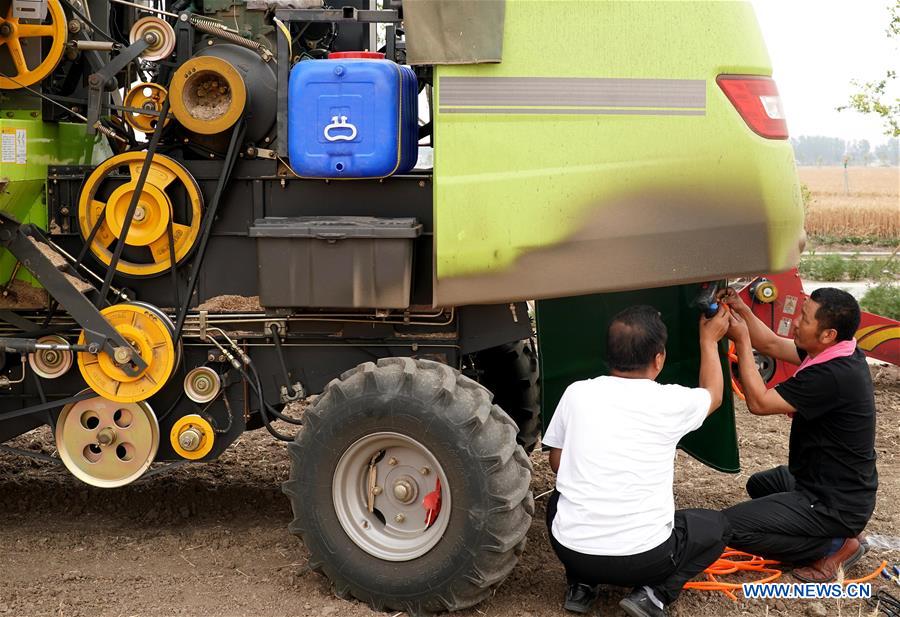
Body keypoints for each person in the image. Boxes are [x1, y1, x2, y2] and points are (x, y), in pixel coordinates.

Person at [543, 304, 732, 617]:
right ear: (659, 358)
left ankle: (581, 585)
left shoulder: (576, 393)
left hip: (572, 552)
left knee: (558, 500)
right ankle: (653, 594)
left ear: (609, 353)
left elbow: (557, 462)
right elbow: (714, 393)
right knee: (719, 527)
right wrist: (709, 341)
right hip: (646, 560)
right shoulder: (672, 401)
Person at [721, 287, 877, 582]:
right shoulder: (836, 349)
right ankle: (817, 527)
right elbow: (769, 343)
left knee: (729, 527)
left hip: (834, 502)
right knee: (760, 485)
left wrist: (741, 341)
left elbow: (759, 402)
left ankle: (835, 544)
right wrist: (741, 308)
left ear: (827, 334)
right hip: (828, 483)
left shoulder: (832, 375)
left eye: (804, 319)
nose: (795, 322)